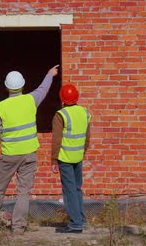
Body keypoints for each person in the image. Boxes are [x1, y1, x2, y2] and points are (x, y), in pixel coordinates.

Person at [0, 65, 59, 234]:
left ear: (7, 86)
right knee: (23, 192)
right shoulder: (31, 99)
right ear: (22, 85)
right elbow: (43, 89)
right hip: (29, 154)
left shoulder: (0, 107)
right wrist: (50, 74)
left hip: (9, 154)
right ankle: (18, 227)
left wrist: (6, 137)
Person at [51, 84, 91, 234]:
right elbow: (87, 138)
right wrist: (82, 152)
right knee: (77, 189)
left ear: (62, 98)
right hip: (78, 157)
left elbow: (56, 139)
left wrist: (54, 160)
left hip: (65, 158)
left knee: (69, 191)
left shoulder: (61, 115)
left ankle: (75, 224)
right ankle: (81, 219)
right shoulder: (84, 112)